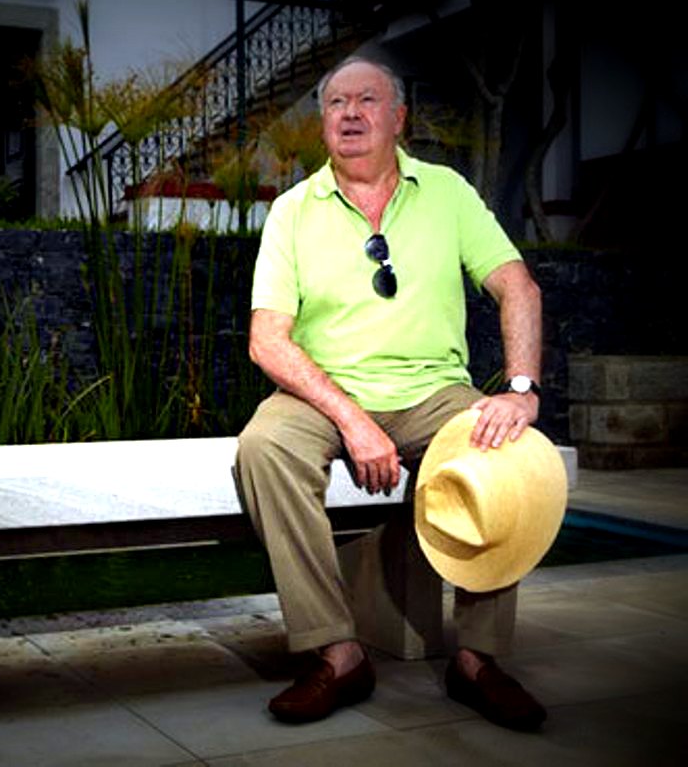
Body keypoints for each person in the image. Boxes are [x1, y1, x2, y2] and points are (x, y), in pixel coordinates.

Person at [234, 54, 548, 731]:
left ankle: (479, 661)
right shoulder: (292, 211)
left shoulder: (448, 193)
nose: (350, 113)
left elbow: (518, 287)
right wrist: (352, 420)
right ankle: (337, 652)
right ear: (323, 122)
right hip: (324, 394)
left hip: (433, 392)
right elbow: (268, 341)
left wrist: (521, 390)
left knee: (507, 453)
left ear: (398, 117)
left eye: (367, 100)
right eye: (336, 103)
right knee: (264, 449)